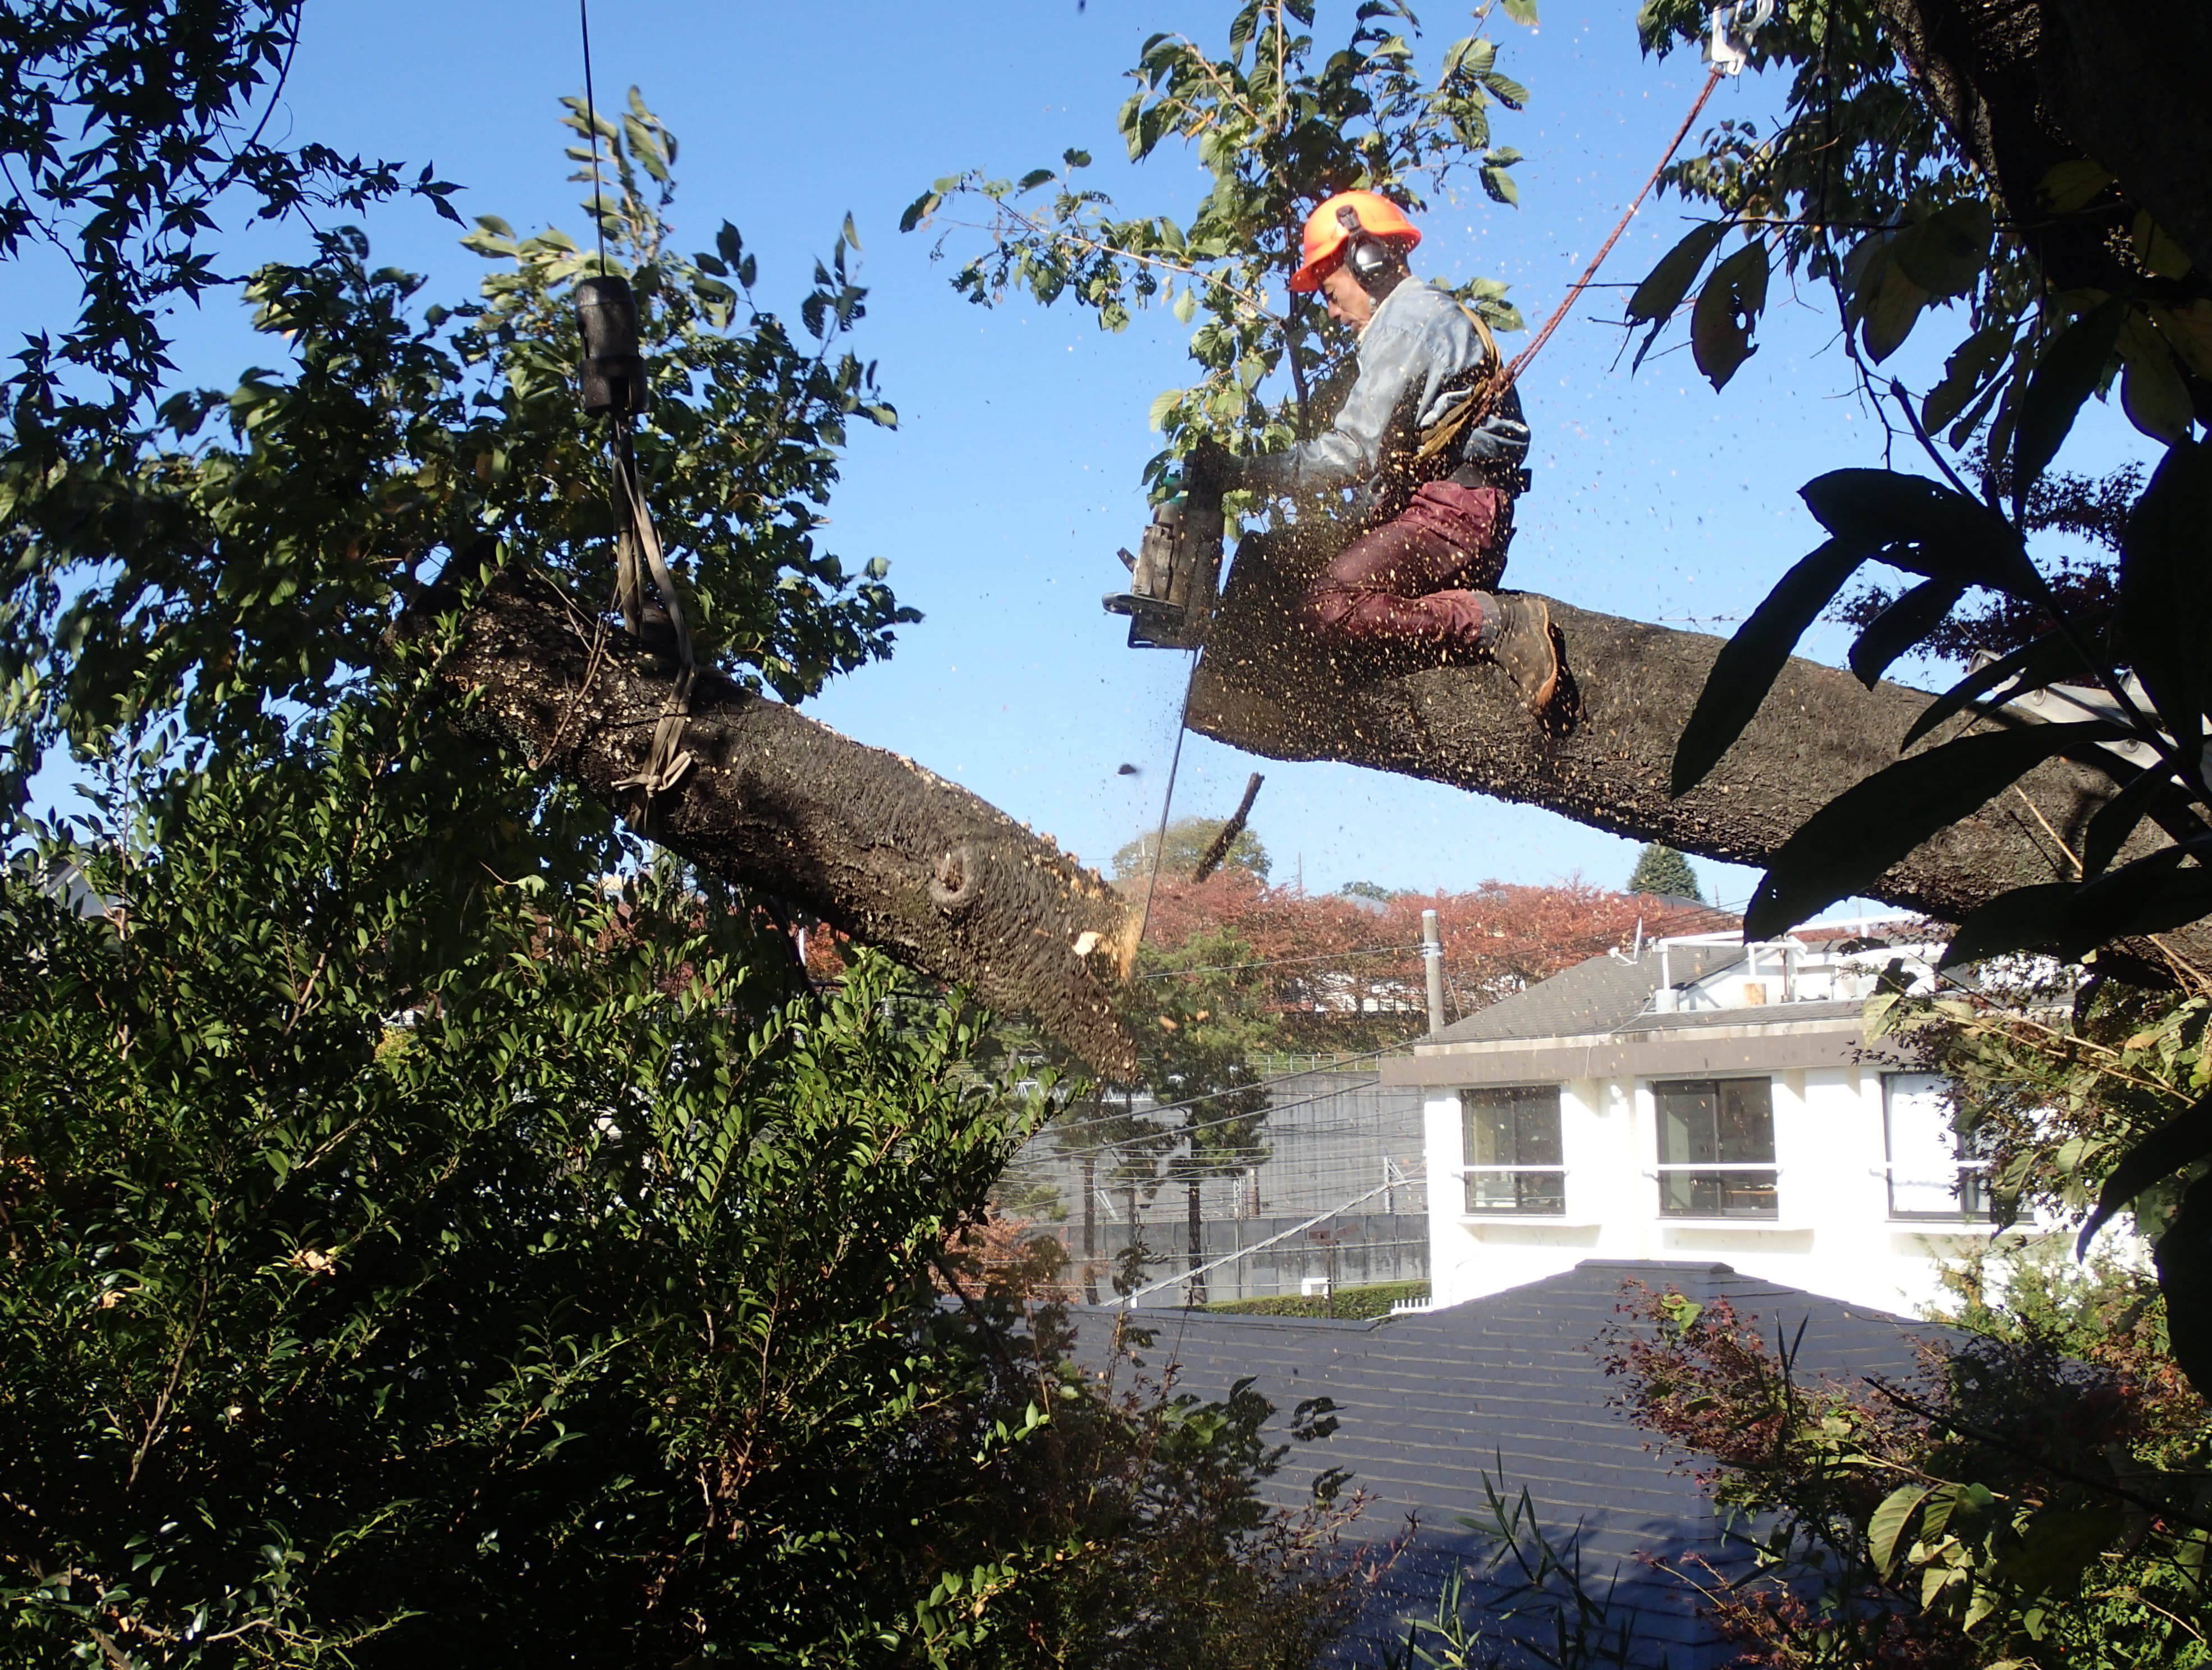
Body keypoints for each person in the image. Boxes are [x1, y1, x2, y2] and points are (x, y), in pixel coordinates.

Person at [1202, 190, 1563, 715]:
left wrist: (1243, 472)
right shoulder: (1415, 318)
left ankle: (1495, 622)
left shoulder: (1404, 322)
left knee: (1324, 605)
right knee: (1271, 561)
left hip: (1455, 516)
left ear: (1366, 262)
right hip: (1441, 512)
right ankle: (1243, 696)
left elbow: (1352, 453)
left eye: (1330, 292)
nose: (1331, 311)